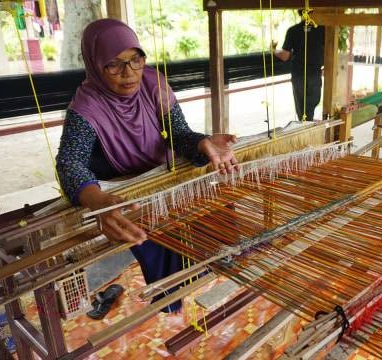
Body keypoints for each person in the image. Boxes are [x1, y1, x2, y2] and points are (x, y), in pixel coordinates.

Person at [56, 19, 238, 312]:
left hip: (161, 172)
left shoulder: (154, 83)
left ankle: (210, 267)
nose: (129, 73)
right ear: (95, 64)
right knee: (148, 233)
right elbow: (70, 163)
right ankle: (170, 295)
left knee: (212, 209)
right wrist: (98, 201)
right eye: (114, 64)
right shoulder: (86, 107)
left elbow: (178, 133)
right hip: (124, 184)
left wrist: (201, 143)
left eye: (135, 59)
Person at [273, 9, 325, 122]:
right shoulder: (322, 29)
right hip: (314, 74)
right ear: (313, 12)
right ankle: (309, 128)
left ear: (300, 13)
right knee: (310, 106)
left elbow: (285, 56)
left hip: (299, 75)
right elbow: (329, 50)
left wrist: (273, 50)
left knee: (302, 111)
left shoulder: (293, 31)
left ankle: (306, 129)